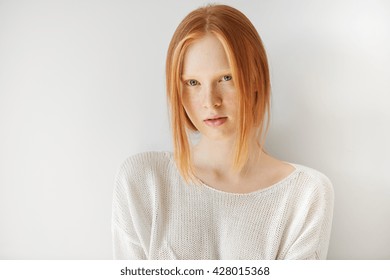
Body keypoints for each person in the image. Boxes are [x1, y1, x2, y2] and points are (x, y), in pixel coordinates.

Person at [112, 4, 334, 260]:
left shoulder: (305, 194)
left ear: (255, 80)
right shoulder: (143, 181)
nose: (210, 101)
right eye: (192, 83)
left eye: (226, 78)